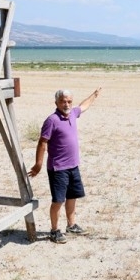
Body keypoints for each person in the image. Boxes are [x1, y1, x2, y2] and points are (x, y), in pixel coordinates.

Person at [29, 87, 102, 244]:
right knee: (58, 201)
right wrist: (38, 164)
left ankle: (71, 225)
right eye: (63, 101)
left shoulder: (73, 114)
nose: (66, 104)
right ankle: (54, 231)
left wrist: (94, 95)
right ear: (56, 102)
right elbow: (42, 142)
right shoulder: (52, 120)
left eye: (69, 101)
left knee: (72, 197)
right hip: (58, 168)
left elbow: (83, 106)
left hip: (73, 166)